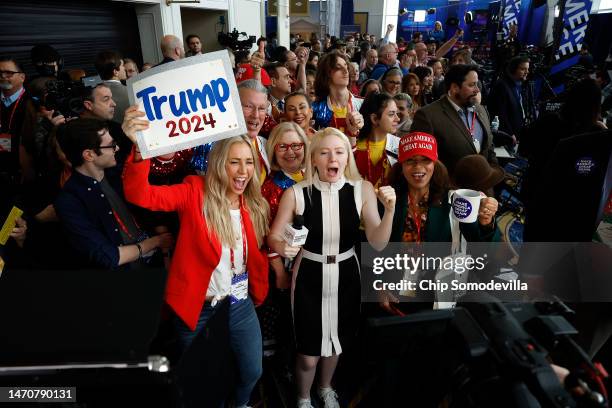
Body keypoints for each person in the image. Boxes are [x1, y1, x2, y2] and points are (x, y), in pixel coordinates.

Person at [122, 106, 271, 408]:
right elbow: (141, 195)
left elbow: (254, 252)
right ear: (218, 164)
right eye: (234, 163)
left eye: (248, 163)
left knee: (252, 371)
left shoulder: (253, 202)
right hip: (198, 310)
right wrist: (139, 148)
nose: (243, 172)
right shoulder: (194, 192)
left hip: (240, 305)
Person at [268, 127, 396, 408]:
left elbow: (377, 242)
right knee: (308, 351)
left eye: (338, 152)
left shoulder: (361, 189)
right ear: (313, 159)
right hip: (308, 277)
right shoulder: (296, 193)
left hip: (347, 274)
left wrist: (390, 211)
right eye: (324, 153)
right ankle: (303, 398)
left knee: (336, 343)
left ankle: (325, 388)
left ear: (347, 157)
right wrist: (282, 247)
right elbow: (274, 236)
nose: (331, 158)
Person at [54, 118, 173, 270]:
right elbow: (109, 257)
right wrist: (154, 243)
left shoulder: (117, 172)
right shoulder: (69, 202)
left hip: (155, 263)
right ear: (89, 155)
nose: (116, 149)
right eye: (111, 145)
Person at [410, 64, 497, 176]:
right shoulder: (427, 116)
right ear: (455, 87)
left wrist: (493, 175)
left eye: (477, 84)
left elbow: (489, 148)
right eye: (472, 85)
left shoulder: (481, 110)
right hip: (449, 189)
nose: (477, 90)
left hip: (484, 189)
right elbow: (421, 161)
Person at [312, 51, 364, 147]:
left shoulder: (363, 104)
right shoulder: (316, 108)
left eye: (346, 66)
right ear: (327, 74)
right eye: (338, 68)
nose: (346, 71)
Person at [355, 93, 400, 188]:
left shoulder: (399, 145)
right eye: (391, 114)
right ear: (375, 119)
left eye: (397, 113)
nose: (398, 119)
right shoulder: (353, 146)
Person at [488, 56, 530, 142]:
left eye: (527, 69)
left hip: (516, 134)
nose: (527, 72)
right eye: (523, 69)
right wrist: (510, 133)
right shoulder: (501, 85)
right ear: (513, 69)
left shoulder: (517, 85)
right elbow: (499, 113)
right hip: (507, 136)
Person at [94, 50, 129, 124]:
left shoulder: (93, 94)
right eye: (122, 65)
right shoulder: (130, 91)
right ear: (115, 72)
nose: (125, 68)